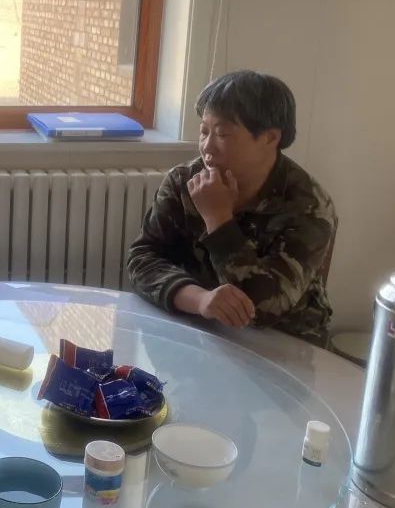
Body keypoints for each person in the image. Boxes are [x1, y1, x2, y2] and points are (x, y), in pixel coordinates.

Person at [126, 71, 336, 345]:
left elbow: (262, 309)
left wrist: (219, 220)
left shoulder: (308, 205)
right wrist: (200, 299)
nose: (207, 147)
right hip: (201, 328)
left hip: (284, 342)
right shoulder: (184, 180)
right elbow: (143, 257)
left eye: (223, 134)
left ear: (271, 138)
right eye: (204, 131)